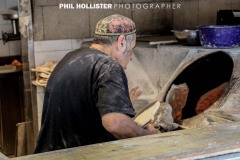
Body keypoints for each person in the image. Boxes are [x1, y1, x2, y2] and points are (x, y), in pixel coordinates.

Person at [34, 14, 158, 154]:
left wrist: (119, 103)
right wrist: (145, 134)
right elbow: (114, 123)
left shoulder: (71, 57)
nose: (131, 57)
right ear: (121, 42)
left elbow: (81, 111)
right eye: (132, 48)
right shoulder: (108, 65)